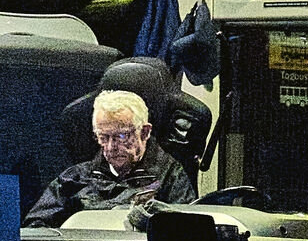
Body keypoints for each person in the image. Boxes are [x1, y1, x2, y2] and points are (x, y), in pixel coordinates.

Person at [25, 81, 196, 221]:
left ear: (144, 132)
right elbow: (35, 226)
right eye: (103, 137)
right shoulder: (75, 178)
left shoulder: (171, 177)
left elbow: (184, 235)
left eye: (121, 136)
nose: (111, 147)